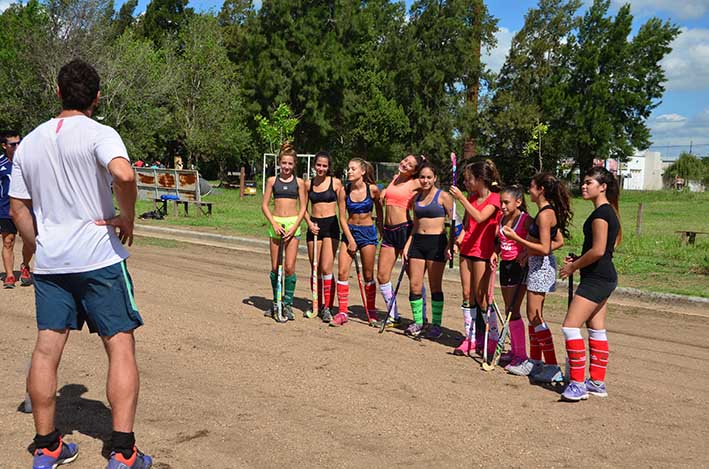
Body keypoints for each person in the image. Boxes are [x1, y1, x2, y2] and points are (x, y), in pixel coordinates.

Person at [9, 59, 152, 468]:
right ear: (97, 97)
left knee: (45, 351)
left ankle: (48, 446)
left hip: (53, 263)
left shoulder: (31, 142)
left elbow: (18, 206)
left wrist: (38, 244)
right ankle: (123, 452)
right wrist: (127, 216)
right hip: (98, 257)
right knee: (120, 346)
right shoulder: (100, 133)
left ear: (57, 93)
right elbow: (124, 175)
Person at [503, 172, 572, 383]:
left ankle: (551, 365)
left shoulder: (544, 214)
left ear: (540, 189)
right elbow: (557, 241)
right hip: (536, 264)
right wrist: (527, 253)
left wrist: (518, 240)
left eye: (532, 187)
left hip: (541, 267)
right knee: (533, 315)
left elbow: (543, 248)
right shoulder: (546, 211)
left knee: (535, 316)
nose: (529, 191)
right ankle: (535, 360)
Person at [559, 167, 621, 401]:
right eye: (583, 182)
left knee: (570, 326)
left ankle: (577, 384)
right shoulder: (608, 212)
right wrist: (579, 260)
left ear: (602, 187)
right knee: (596, 329)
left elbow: (598, 250)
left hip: (597, 278)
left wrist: (573, 267)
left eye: (589, 182)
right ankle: (596, 381)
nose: (584, 186)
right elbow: (601, 250)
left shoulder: (601, 214)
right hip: (603, 276)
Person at [450, 159, 502, 356]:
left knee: (482, 297)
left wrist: (461, 199)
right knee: (467, 294)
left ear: (480, 179)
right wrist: (457, 242)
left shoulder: (495, 199)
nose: (466, 184)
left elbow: (480, 218)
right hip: (467, 250)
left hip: (483, 252)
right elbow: (468, 225)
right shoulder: (472, 198)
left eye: (469, 180)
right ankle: (471, 338)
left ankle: (493, 337)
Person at [401, 163, 453, 339]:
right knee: (415, 284)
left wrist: (450, 244)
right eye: (422, 177)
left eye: (429, 177)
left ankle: (436, 325)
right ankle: (418, 322)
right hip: (417, 242)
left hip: (436, 243)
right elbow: (416, 224)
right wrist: (408, 244)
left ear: (435, 178)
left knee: (434, 286)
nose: (425, 180)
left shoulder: (443, 196)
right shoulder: (416, 198)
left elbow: (455, 222)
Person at [261, 142, 308, 321]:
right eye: (284, 163)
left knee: (289, 267)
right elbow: (264, 205)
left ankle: (287, 304)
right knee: (275, 267)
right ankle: (275, 301)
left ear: (294, 164)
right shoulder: (272, 181)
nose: (286, 167)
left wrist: (295, 226)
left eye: (290, 163)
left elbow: (304, 207)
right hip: (276, 225)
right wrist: (273, 223)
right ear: (279, 163)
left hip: (292, 225)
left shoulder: (300, 183)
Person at [334, 158, 383, 327]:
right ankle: (342, 312)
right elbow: (341, 217)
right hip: (350, 232)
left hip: (368, 233)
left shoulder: (373, 190)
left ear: (362, 171)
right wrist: (350, 239)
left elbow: (380, 209)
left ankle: (371, 311)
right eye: (348, 168)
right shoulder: (343, 190)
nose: (349, 171)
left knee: (368, 275)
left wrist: (380, 229)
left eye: (353, 169)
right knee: (342, 272)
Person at [377, 154, 424, 327]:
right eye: (405, 160)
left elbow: (429, 187)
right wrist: (384, 192)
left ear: (415, 170)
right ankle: (393, 315)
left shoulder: (416, 183)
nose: (404, 164)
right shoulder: (396, 178)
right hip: (389, 232)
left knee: (415, 279)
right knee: (382, 275)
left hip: (405, 230)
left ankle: (421, 317)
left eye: (410, 164)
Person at [496, 185, 532, 368]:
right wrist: (495, 253)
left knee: (513, 310)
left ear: (518, 202)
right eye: (501, 202)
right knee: (508, 309)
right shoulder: (502, 219)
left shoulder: (524, 219)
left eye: (506, 202)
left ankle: (521, 354)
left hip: (519, 267)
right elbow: (498, 241)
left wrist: (526, 251)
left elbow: (537, 237)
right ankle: (515, 350)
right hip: (505, 266)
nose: (502, 206)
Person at [304, 151, 342, 322]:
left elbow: (342, 209)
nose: (321, 168)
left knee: (326, 268)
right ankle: (316, 303)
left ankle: (328, 306)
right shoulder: (308, 184)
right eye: (318, 165)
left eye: (324, 166)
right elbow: (303, 208)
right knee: (315, 267)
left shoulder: (336, 183)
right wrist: (309, 224)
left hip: (331, 226)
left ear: (329, 167)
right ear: (314, 165)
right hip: (314, 226)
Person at [1, 130, 33, 288]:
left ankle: (25, 266)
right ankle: (9, 275)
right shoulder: (0, 164)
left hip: (27, 208)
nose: (17, 146)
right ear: (4, 146)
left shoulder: (28, 161)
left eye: (19, 143)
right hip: (5, 209)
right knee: (8, 241)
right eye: (13, 144)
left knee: (29, 240)